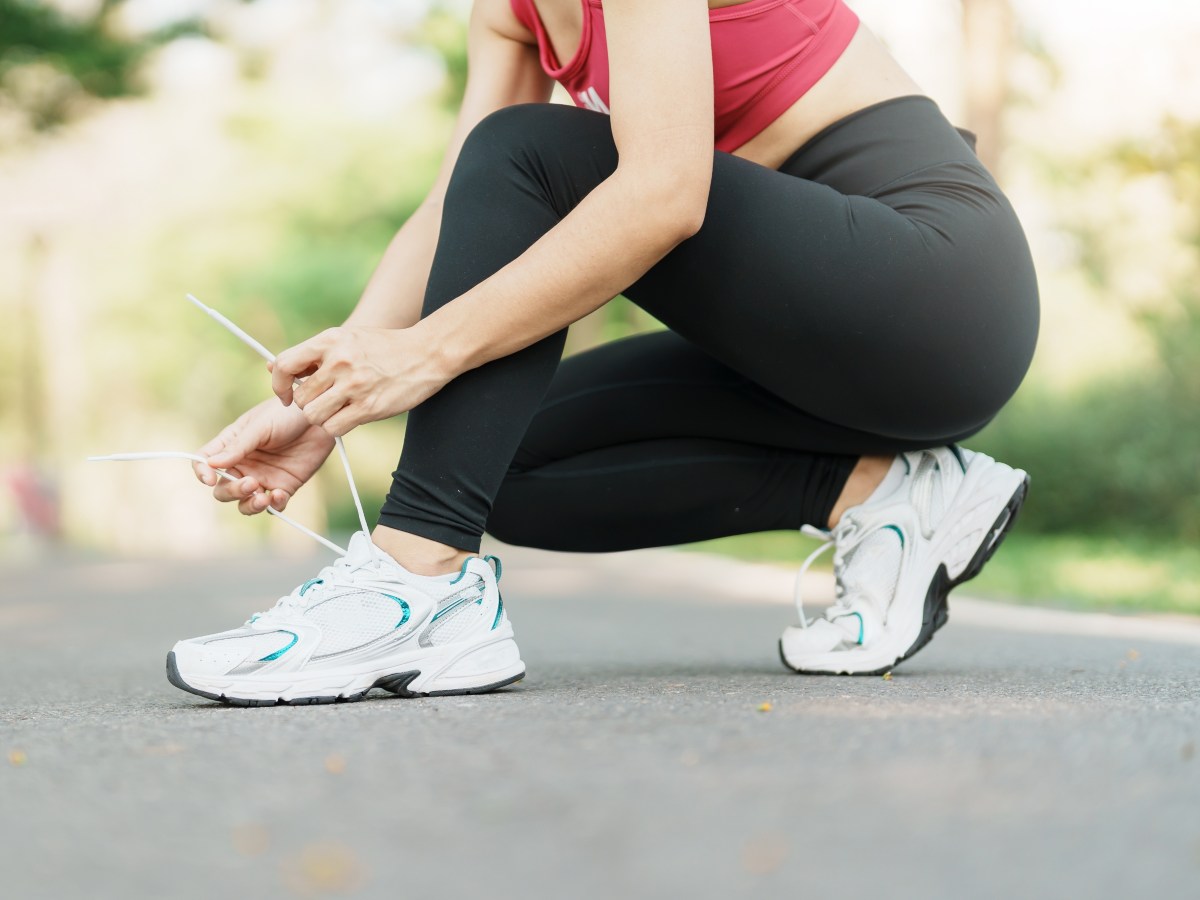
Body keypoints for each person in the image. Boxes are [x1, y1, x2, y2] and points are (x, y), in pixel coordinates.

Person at [168, 0, 1038, 706]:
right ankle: (888, 492)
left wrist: (425, 353)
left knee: (527, 151)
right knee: (500, 459)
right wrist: (317, 408)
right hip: (812, 343)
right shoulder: (510, 13)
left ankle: (415, 583)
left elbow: (663, 194)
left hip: (937, 293)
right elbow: (455, 205)